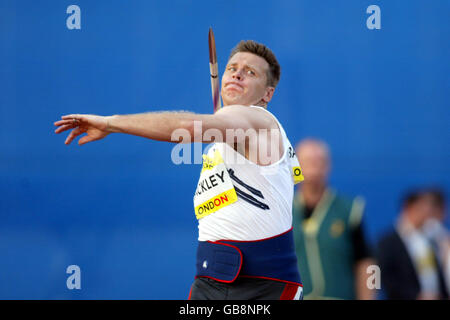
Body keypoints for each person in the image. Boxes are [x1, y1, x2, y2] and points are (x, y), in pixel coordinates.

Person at [54, 40, 305, 300]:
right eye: (232, 68)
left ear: (267, 94)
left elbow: (186, 126)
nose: (237, 74)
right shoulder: (227, 135)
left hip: (263, 288)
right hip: (211, 281)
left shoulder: (257, 119)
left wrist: (111, 123)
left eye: (250, 72)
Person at [292, 138, 374, 300]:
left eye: (320, 161)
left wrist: (370, 295)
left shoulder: (349, 209)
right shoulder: (284, 210)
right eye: (308, 161)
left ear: (328, 166)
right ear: (295, 165)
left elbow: (368, 262)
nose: (315, 166)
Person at [377, 189, 449, 300]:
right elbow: (386, 278)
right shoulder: (388, 242)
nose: (426, 213)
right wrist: (416, 295)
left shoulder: (432, 237)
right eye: (420, 208)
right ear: (408, 208)